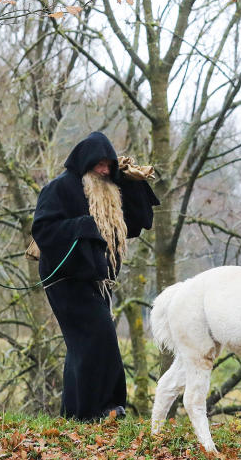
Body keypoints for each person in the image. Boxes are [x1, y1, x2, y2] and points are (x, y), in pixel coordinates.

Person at [32, 131, 159, 421]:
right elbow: (43, 230)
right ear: (85, 163)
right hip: (63, 278)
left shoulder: (110, 193)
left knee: (81, 346)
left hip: (96, 282)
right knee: (99, 336)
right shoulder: (59, 189)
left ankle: (75, 414)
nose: (103, 171)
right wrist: (84, 226)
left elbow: (139, 223)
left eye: (108, 166)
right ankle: (103, 408)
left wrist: (132, 183)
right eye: (99, 165)